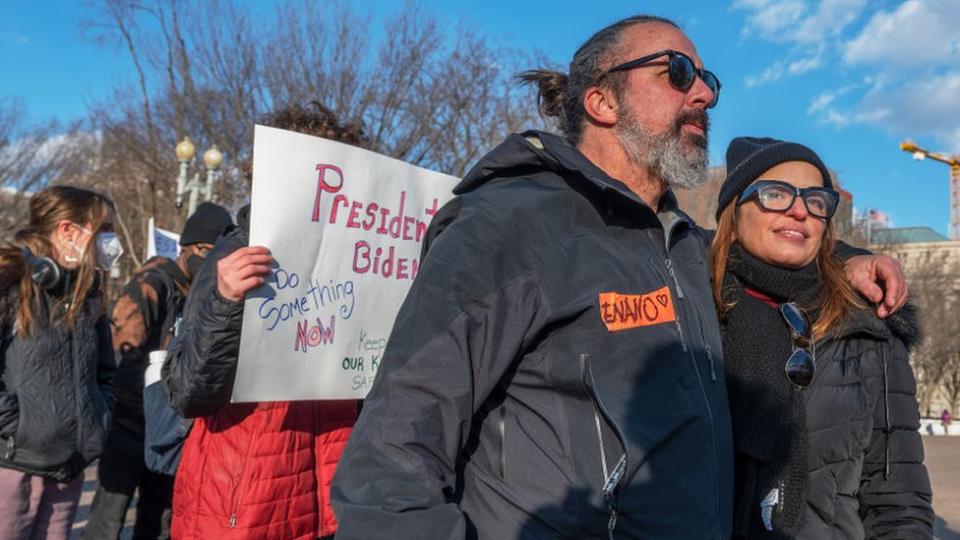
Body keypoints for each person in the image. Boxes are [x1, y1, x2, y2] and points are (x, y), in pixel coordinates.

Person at [329, 15, 908, 540]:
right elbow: (390, 462)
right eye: (677, 73)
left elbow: (766, 247)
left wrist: (845, 261)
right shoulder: (509, 223)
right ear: (602, 101)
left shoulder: (681, 244)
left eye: (707, 80)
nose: (704, 94)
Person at [161, 102, 366, 540]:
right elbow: (185, 391)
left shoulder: (360, 260)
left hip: (332, 502)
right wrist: (226, 301)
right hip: (244, 506)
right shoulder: (231, 256)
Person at [711, 136, 933, 538]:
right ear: (733, 210)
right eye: (775, 193)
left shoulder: (866, 329)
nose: (799, 210)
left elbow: (897, 502)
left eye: (816, 201)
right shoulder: (690, 306)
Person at [84, 202, 232, 540]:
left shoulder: (200, 292)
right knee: (107, 521)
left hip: (168, 428)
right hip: (130, 424)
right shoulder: (152, 284)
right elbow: (122, 357)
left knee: (159, 520)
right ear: (194, 249)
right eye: (211, 255)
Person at [0, 186, 120, 540]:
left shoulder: (87, 292)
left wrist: (97, 418)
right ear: (69, 230)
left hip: (69, 470)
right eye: (105, 230)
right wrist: (14, 427)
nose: (111, 241)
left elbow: (104, 371)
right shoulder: (10, 281)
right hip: (12, 467)